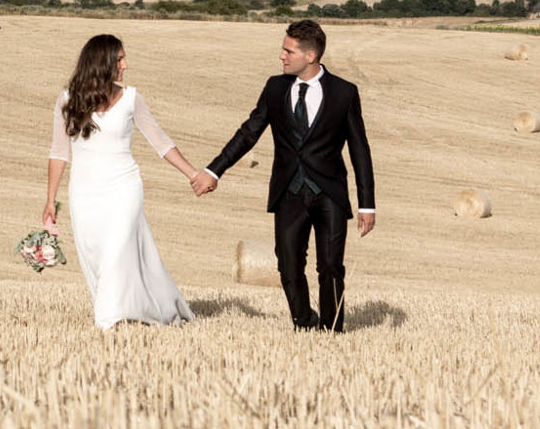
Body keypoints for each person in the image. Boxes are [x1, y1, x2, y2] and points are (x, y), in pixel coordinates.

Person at [197, 19, 376, 332]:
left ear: (310, 56)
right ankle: (304, 323)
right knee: (288, 264)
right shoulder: (275, 87)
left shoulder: (345, 93)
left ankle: (332, 329)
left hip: (330, 193)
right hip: (288, 193)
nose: (281, 56)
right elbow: (248, 133)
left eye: (288, 51)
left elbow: (360, 150)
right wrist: (215, 170)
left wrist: (367, 204)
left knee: (331, 266)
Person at [41, 34, 201, 329]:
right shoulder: (66, 101)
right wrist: (51, 200)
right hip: (84, 192)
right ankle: (144, 306)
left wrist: (193, 174)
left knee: (118, 249)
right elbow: (59, 152)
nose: (126, 65)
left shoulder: (131, 98)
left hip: (124, 189)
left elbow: (160, 142)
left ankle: (109, 319)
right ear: (102, 64)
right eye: (120, 60)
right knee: (97, 255)